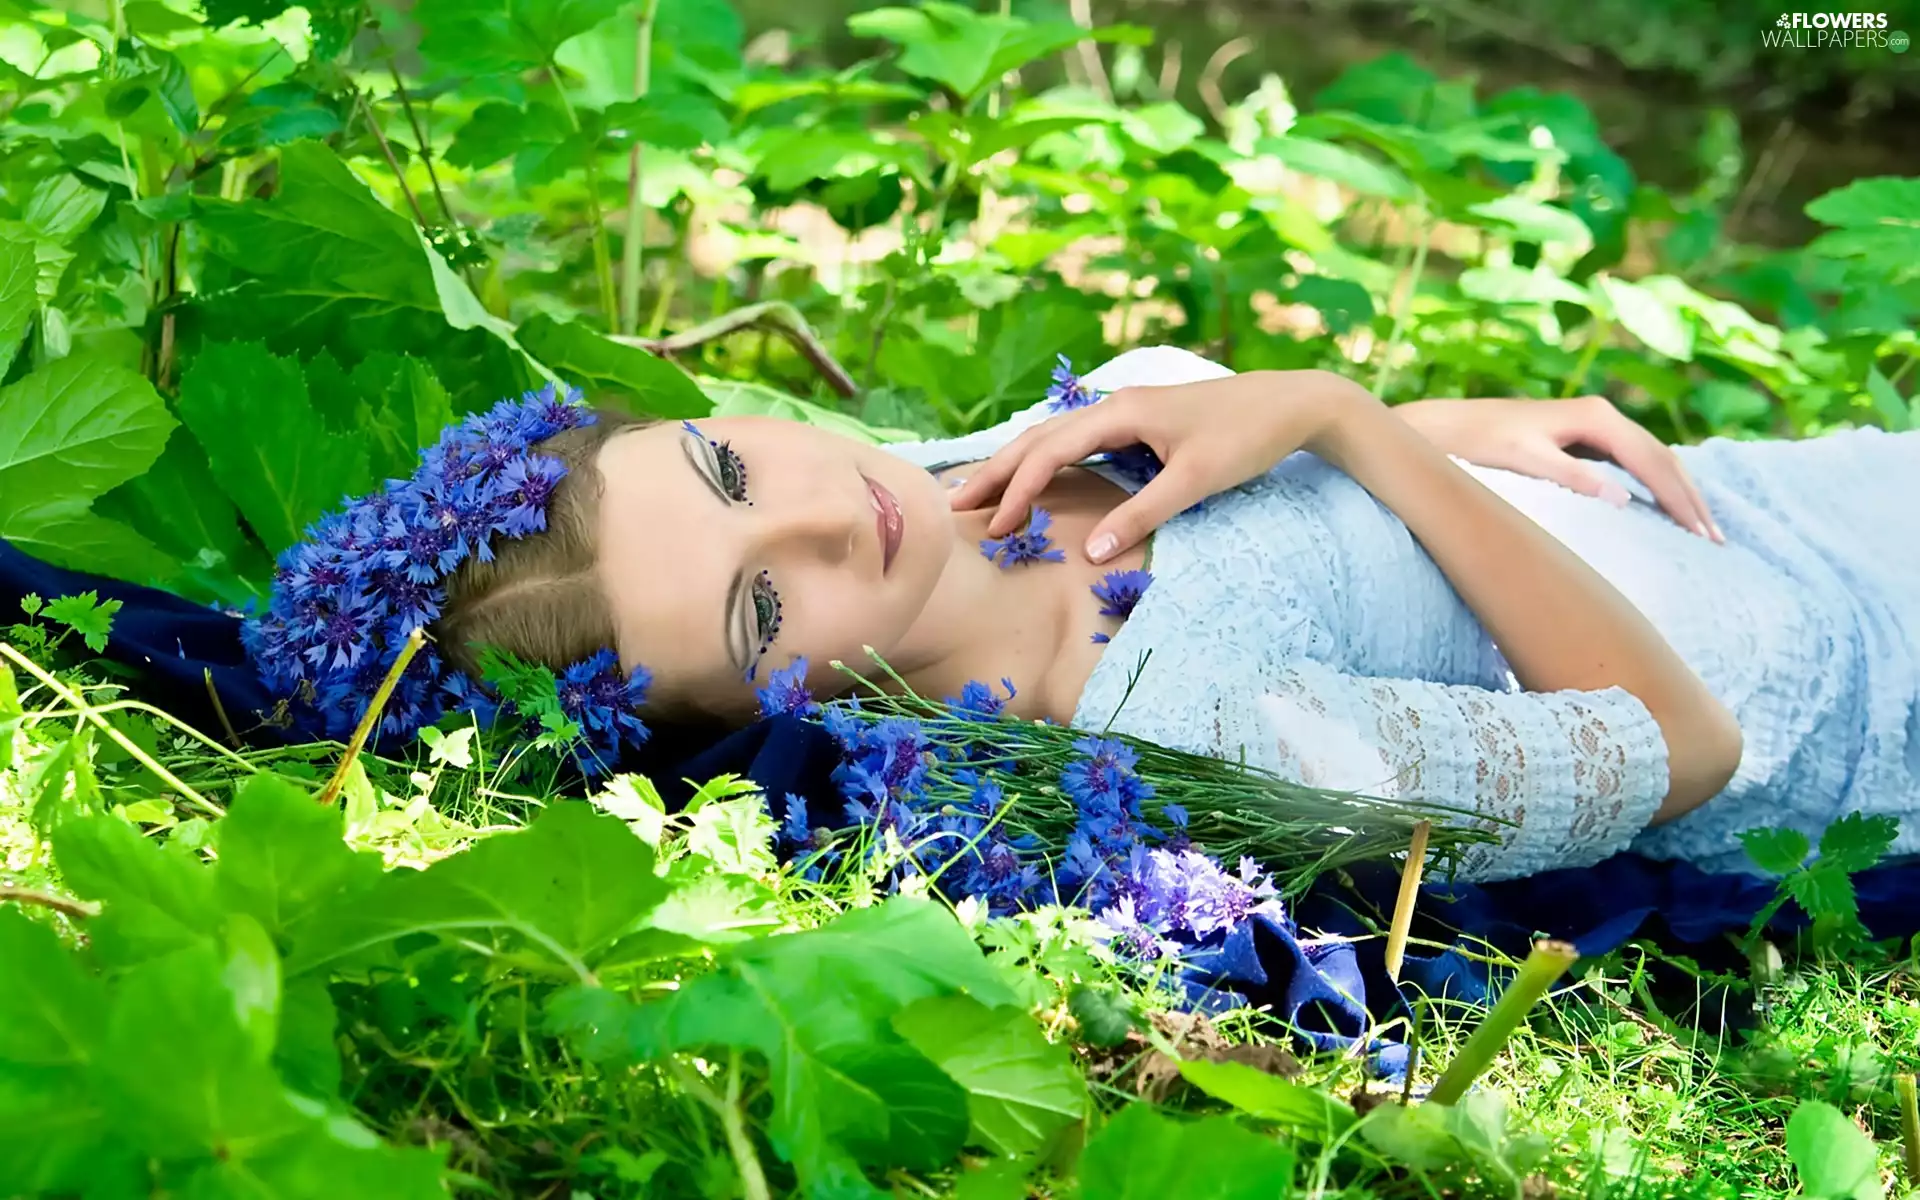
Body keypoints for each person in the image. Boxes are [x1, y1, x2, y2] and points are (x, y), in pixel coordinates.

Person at [249, 347, 1920, 882]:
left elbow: (1316, 499)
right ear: (771, 714)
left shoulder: (948, 474)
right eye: (768, 607)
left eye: (727, 461)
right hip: (1847, 661)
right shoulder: (1171, 736)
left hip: (1745, 494)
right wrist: (1350, 414)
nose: (839, 508)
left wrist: (1464, 437)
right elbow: (1681, 745)